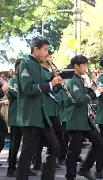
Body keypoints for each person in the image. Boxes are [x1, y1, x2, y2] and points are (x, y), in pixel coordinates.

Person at [16, 36, 63, 180]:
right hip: (30, 116)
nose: (47, 53)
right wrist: (50, 84)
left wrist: (56, 82)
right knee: (27, 153)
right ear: (35, 49)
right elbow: (27, 88)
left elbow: (48, 89)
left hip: (43, 116)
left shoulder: (41, 66)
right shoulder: (26, 64)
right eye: (45, 50)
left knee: (55, 147)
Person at [64, 55, 103, 180]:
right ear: (76, 66)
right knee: (74, 150)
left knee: (99, 142)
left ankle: (84, 169)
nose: (85, 68)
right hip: (76, 120)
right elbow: (79, 100)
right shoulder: (72, 81)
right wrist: (96, 92)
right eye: (83, 65)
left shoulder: (79, 80)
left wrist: (92, 89)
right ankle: (70, 176)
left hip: (84, 120)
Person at [33, 50, 63, 170]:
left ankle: (50, 159)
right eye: (48, 55)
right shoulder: (41, 72)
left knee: (59, 133)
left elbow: (54, 90)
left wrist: (59, 83)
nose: (50, 58)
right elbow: (43, 86)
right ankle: (37, 161)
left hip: (53, 108)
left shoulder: (50, 72)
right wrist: (52, 78)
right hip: (45, 108)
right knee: (40, 137)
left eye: (50, 56)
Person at [6, 59, 37, 177]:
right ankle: (11, 168)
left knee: (27, 145)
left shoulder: (25, 82)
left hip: (25, 117)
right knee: (15, 144)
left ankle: (24, 167)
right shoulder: (13, 81)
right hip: (16, 117)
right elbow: (18, 94)